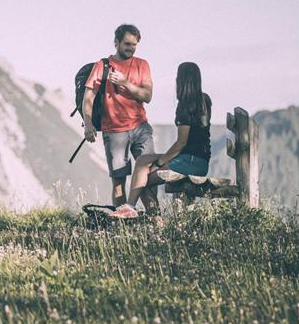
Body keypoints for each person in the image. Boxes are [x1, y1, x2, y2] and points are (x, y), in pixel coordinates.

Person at [112, 62, 212, 218]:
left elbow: (181, 143)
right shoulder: (205, 100)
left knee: (143, 182)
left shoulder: (185, 106)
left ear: (182, 80)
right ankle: (130, 206)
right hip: (201, 161)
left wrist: (159, 163)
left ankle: (153, 220)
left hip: (188, 161)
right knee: (143, 160)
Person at [83, 24, 158, 212]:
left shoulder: (142, 65)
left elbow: (147, 96)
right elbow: (88, 96)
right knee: (119, 181)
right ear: (116, 43)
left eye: (134, 45)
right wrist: (89, 124)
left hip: (141, 127)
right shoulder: (103, 66)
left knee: (148, 174)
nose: (130, 48)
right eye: (126, 44)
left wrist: (125, 83)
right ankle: (122, 222)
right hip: (114, 131)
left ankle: (154, 217)